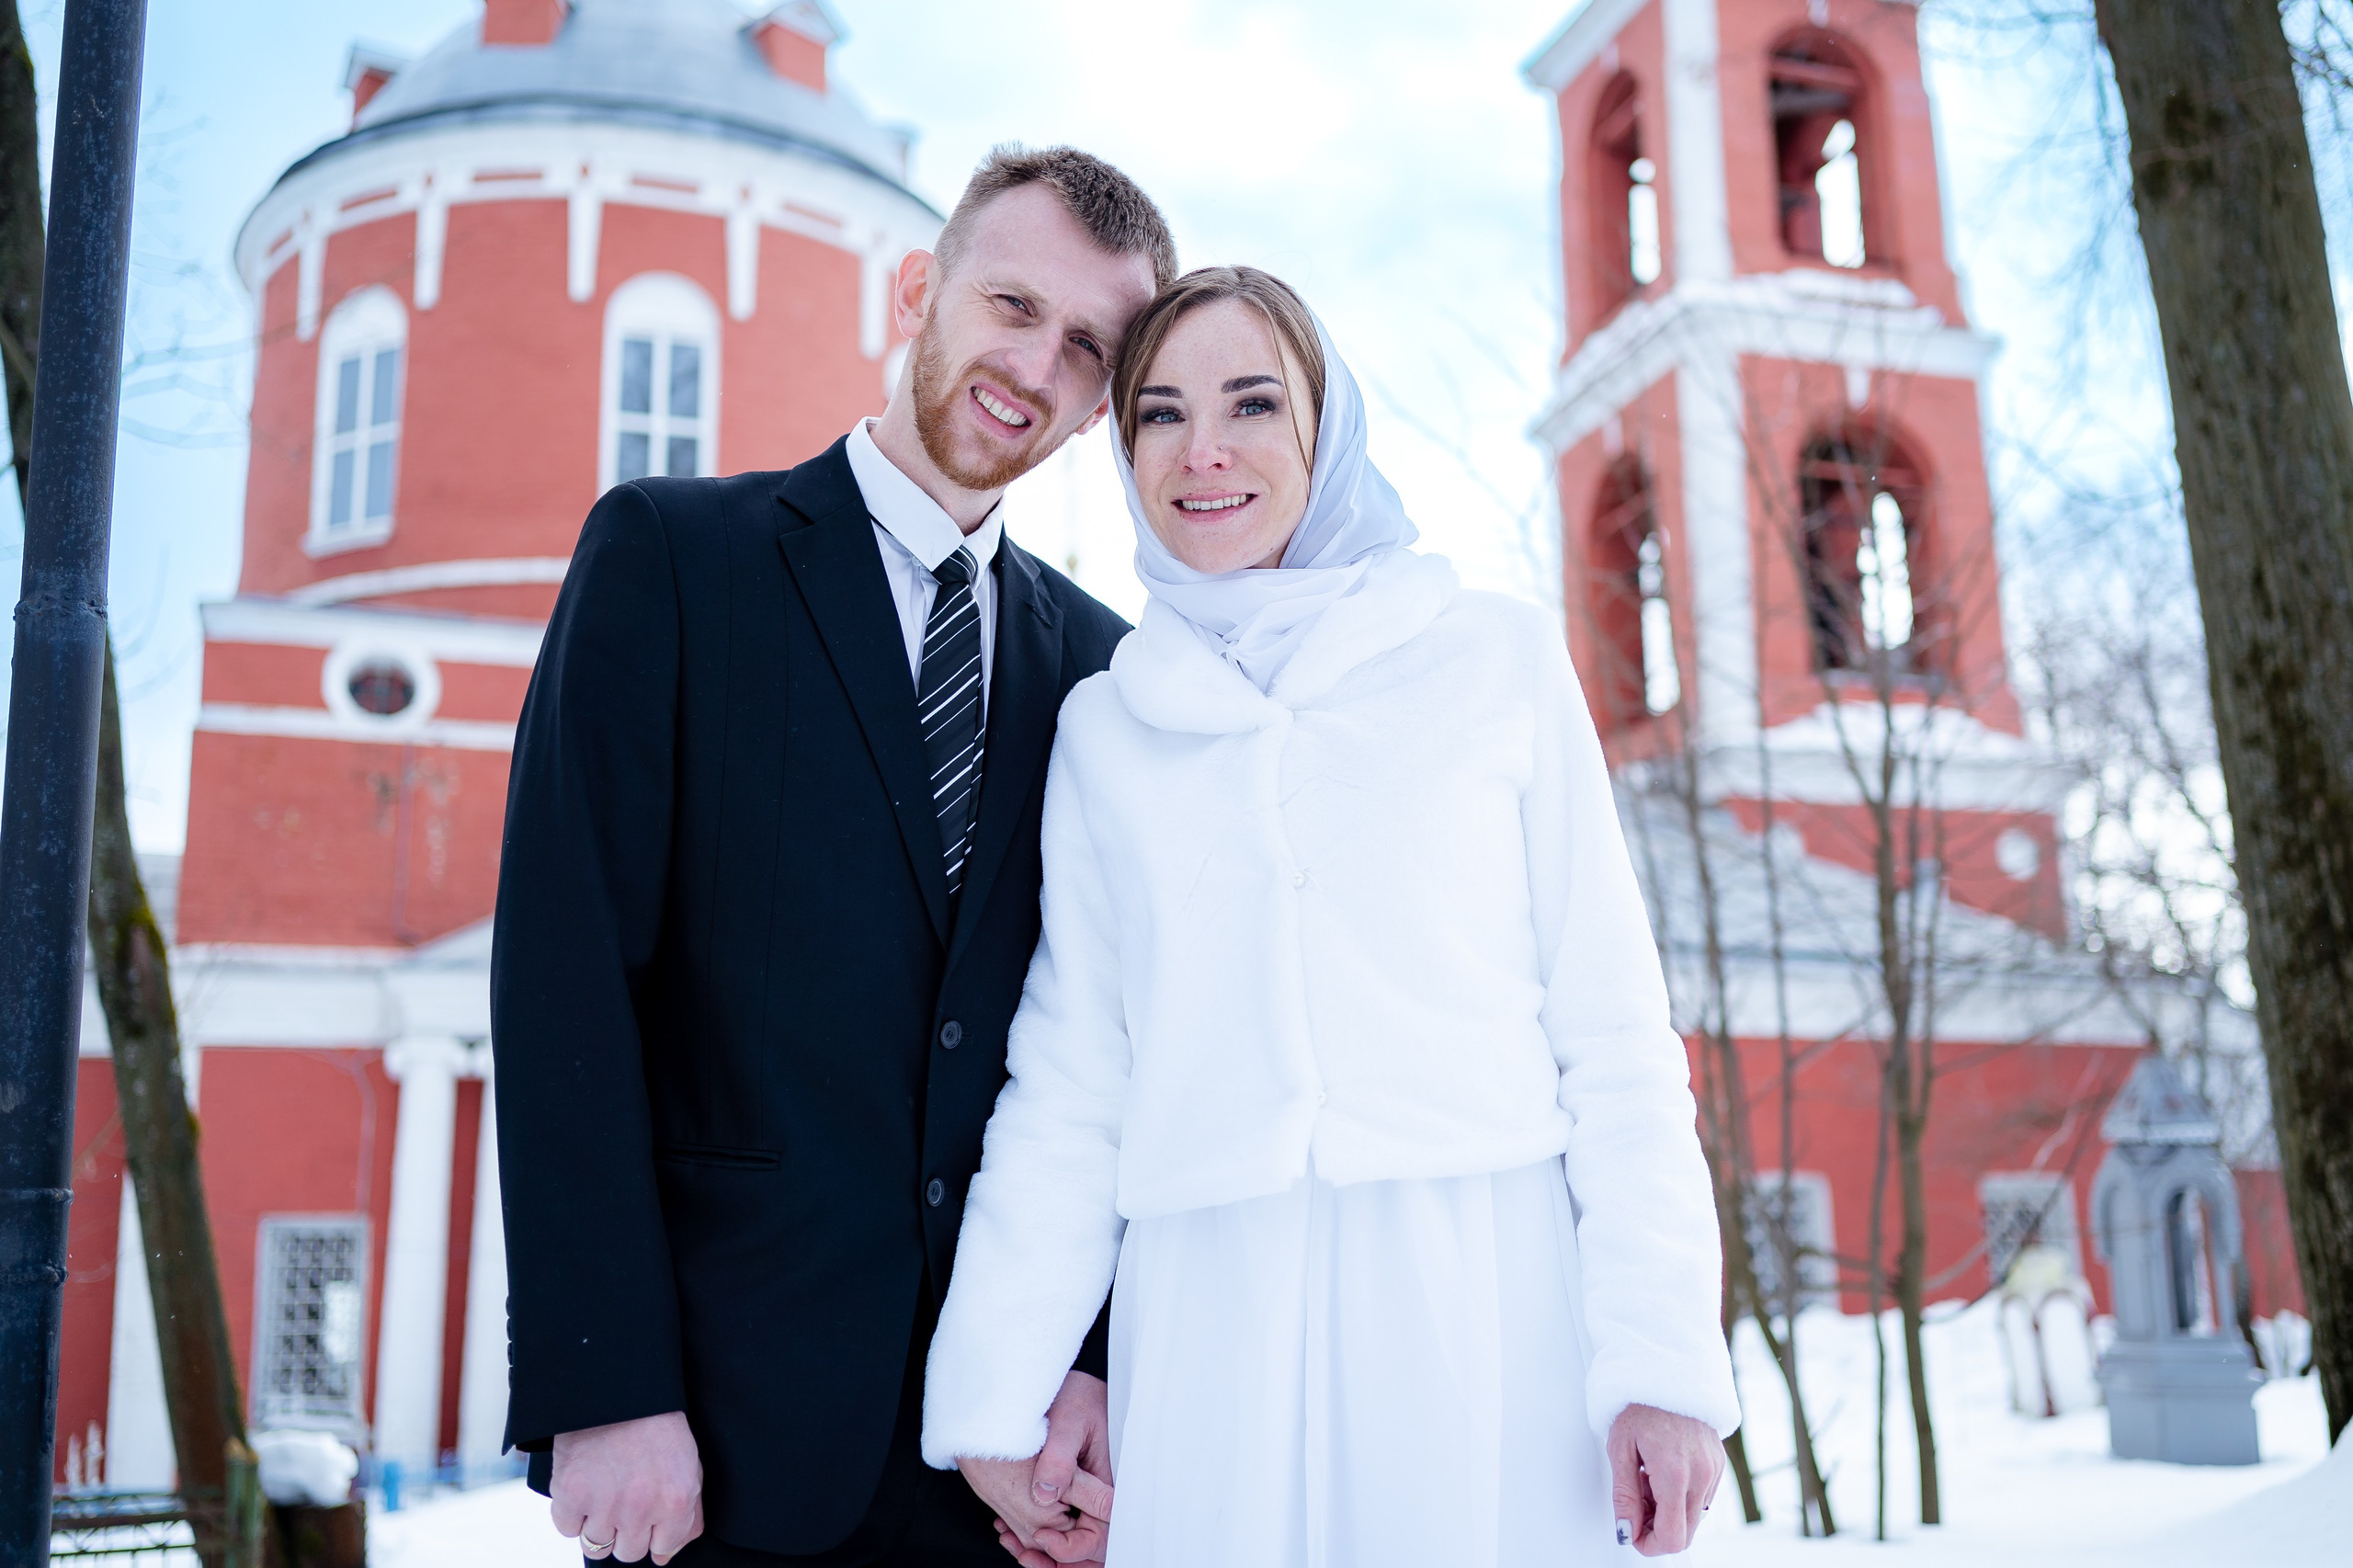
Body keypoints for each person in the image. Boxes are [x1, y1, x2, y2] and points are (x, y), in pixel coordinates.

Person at [921, 267, 1740, 1566]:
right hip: (1209, 1328)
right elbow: (1075, 1080)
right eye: (1160, 413)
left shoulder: (1495, 660)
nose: (1206, 451)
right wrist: (998, 1393)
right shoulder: (1109, 730)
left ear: (1327, 427)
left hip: (1478, 1300)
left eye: (1253, 403)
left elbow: (1618, 1039)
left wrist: (1663, 1360)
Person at [490, 147, 1176, 1568]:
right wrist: (606, 1379)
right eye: (1010, 303)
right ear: (922, 287)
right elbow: (564, 984)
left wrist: (1093, 1375)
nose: (1033, 363)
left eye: (1085, 345)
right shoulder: (672, 561)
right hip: (717, 1451)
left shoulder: (1112, 673)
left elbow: (1129, 1049)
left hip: (997, 1463)